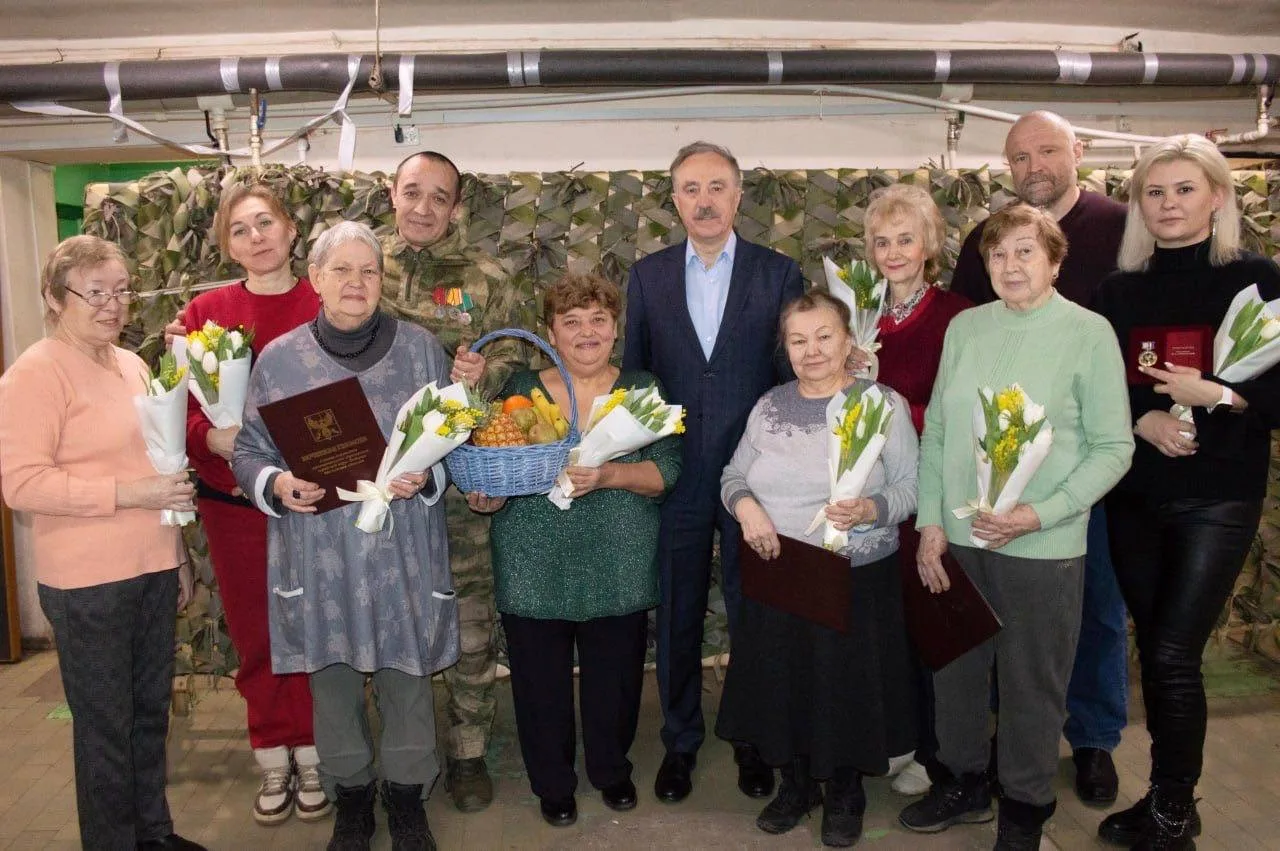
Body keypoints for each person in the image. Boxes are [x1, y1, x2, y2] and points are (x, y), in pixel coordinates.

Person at [900, 204, 1134, 849]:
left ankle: (1026, 809)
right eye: (997, 254)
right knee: (956, 671)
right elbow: (939, 432)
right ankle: (964, 782)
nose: (1010, 266)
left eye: (1025, 251)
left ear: (1055, 261)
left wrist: (1040, 513)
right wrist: (931, 525)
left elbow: (1113, 448)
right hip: (958, 541)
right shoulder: (966, 327)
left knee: (1033, 683)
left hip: (1043, 544)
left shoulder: (1088, 333)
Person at [232, 221, 466, 851]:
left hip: (402, 544)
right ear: (315, 279)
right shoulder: (279, 359)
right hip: (320, 552)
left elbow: (453, 438)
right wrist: (278, 484)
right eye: (341, 270)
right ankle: (352, 798)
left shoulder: (421, 350)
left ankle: (408, 796)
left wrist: (430, 475)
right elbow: (250, 451)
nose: (356, 282)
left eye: (369, 271)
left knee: (406, 673)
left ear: (383, 280)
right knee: (331, 678)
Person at [1094, 134, 1280, 850]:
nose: (1168, 204)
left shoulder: (1256, 281)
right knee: (1157, 649)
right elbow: (1093, 389)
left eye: (1184, 189)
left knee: (1174, 653)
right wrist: (1138, 418)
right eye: (1155, 192)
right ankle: (1167, 798)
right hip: (1135, 496)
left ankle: (1173, 812)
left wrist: (1223, 395)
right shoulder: (1117, 291)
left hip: (1216, 496)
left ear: (1217, 197)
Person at [949, 110, 1131, 807]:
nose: (1034, 166)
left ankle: (1093, 740)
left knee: (1092, 614)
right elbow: (970, 349)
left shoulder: (1121, 226)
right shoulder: (984, 247)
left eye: (1047, 150)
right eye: (1019, 156)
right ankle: (1009, 750)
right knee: (1005, 640)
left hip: (1078, 473)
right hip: (988, 488)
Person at [0, 236, 205, 851]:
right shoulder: (34, 373)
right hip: (87, 583)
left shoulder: (130, 364)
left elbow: (158, 462)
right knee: (105, 730)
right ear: (54, 298)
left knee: (148, 716)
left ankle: (153, 834)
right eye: (95, 293)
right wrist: (129, 495)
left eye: (121, 291)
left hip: (152, 566)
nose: (113, 305)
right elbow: (21, 484)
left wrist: (177, 554)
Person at [623, 140, 805, 804]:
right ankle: (680, 741)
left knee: (753, 609)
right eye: (691, 189)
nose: (704, 201)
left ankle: (752, 738)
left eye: (717, 186)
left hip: (755, 477)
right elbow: (636, 378)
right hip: (675, 477)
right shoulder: (647, 277)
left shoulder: (778, 274)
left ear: (738, 195)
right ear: (675, 200)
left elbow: (792, 379)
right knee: (677, 612)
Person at [466, 273, 682, 828]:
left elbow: (667, 471)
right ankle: (553, 783)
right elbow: (491, 461)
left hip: (618, 557)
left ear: (615, 329)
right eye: (572, 321)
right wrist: (488, 498)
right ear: (550, 333)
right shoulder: (516, 388)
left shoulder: (642, 388)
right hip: (532, 558)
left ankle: (611, 770)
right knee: (540, 685)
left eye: (598, 320)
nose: (587, 332)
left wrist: (608, 475)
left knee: (617, 681)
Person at [717, 291, 919, 848]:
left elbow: (911, 487)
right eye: (798, 340)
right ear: (784, 348)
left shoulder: (882, 405)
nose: (812, 351)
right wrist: (748, 508)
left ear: (848, 339)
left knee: (844, 686)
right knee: (785, 682)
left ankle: (846, 792)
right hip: (781, 573)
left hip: (854, 575)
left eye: (824, 336)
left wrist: (871, 508)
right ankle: (797, 784)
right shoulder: (769, 406)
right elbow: (732, 476)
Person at [379, 150, 527, 812]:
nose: (423, 207)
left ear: (456, 207)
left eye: (439, 197)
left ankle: (468, 750)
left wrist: (485, 374)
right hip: (381, 482)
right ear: (392, 193)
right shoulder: (359, 265)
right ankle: (400, 749)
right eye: (413, 192)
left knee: (470, 619)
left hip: (462, 483)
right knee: (387, 614)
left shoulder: (486, 278)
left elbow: (517, 361)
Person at [180, 182, 329, 825]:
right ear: (227, 246)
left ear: (292, 230)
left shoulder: (326, 301)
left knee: (316, 626)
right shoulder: (204, 314)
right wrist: (219, 441)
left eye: (266, 222)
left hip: (314, 501)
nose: (256, 237)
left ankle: (316, 752)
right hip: (234, 502)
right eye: (239, 229)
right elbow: (179, 412)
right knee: (257, 631)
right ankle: (272, 752)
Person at [863, 183, 973, 796]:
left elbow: (963, 416)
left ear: (928, 245)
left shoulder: (958, 316)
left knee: (937, 624)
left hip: (933, 490)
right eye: (882, 242)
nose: (894, 252)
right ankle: (902, 738)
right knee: (892, 626)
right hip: (876, 494)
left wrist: (894, 402)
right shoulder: (861, 316)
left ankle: (940, 754)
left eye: (906, 239)